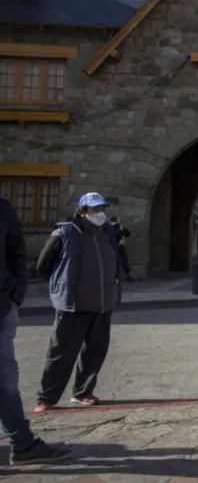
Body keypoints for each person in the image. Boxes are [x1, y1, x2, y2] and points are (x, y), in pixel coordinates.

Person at [34, 192, 122, 412]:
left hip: (103, 303)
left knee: (95, 351)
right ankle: (47, 398)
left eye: (102, 209)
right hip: (73, 304)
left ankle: (83, 391)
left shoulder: (108, 232)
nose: (99, 214)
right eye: (94, 210)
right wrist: (63, 287)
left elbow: (117, 259)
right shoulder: (65, 232)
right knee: (62, 352)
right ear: (82, 211)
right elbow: (43, 266)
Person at [0, 196, 72, 465]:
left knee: (5, 382)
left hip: (2, 307)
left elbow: (16, 252)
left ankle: (23, 443)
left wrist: (14, 296)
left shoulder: (3, 208)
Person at [108, 216, 135, 282]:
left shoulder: (108, 227)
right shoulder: (120, 228)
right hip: (119, 247)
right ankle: (126, 276)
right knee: (123, 262)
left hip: (111, 247)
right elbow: (128, 234)